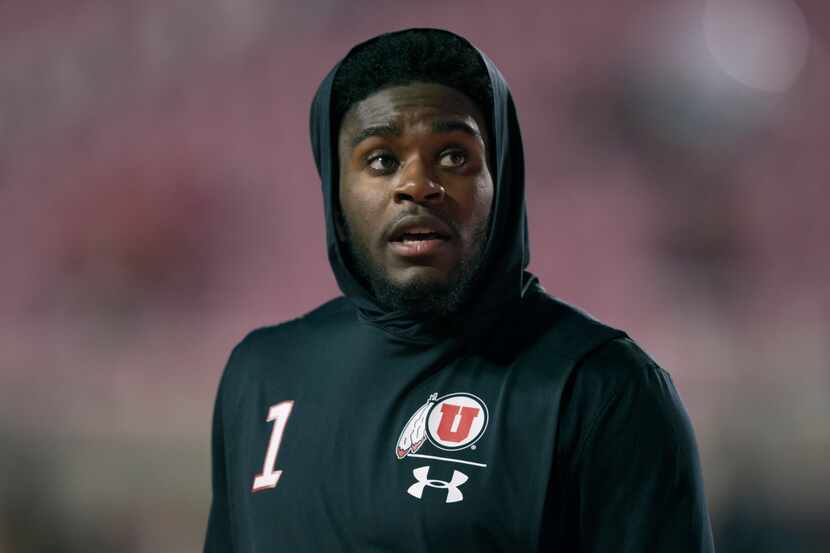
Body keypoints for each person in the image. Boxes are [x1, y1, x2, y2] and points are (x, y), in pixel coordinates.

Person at [203, 28, 715, 552]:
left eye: (453, 156)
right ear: (334, 190)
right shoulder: (259, 374)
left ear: (502, 179)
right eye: (381, 160)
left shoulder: (601, 389)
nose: (417, 184)